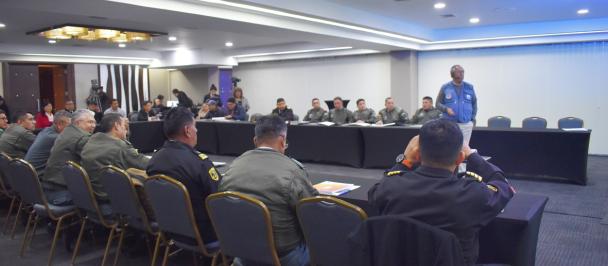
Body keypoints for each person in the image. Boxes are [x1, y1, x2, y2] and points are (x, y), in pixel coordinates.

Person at [368, 119, 514, 265]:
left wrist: (405, 161)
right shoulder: (473, 194)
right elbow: (504, 187)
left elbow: (373, 194)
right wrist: (472, 155)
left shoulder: (390, 187)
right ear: (460, 158)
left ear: (417, 154)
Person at [220, 115, 318, 266]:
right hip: (282, 257)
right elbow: (311, 215)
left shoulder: (233, 166)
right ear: (282, 141)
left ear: (255, 141)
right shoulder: (293, 171)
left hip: (241, 253)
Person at [147, 107, 221, 244]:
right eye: (195, 127)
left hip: (169, 230)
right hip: (203, 234)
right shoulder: (199, 163)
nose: (196, 131)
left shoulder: (154, 161)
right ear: (187, 130)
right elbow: (218, 198)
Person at [81, 114, 149, 200]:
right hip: (113, 199)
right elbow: (146, 164)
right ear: (116, 126)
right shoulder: (120, 147)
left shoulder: (92, 140)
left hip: (94, 195)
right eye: (124, 125)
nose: (126, 129)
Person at [41, 110, 97, 205]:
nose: (93, 125)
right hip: (61, 193)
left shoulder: (66, 131)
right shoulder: (82, 138)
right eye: (90, 122)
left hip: (48, 190)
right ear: (78, 122)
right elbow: (97, 160)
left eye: (94, 122)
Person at [436, 65, 477, 145]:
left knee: (464, 148)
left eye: (462, 72)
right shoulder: (445, 87)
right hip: (450, 123)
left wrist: (472, 119)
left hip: (466, 124)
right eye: (459, 72)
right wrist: (446, 109)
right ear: (452, 74)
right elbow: (437, 103)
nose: (461, 74)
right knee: (450, 146)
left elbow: (474, 103)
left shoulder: (469, 87)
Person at [24, 111, 71, 176]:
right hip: (37, 178)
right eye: (70, 126)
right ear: (60, 125)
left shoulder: (46, 130)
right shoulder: (55, 138)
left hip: (29, 175)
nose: (72, 129)